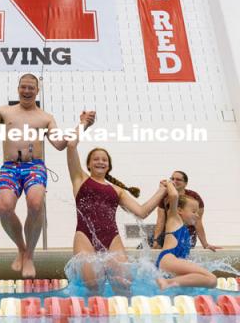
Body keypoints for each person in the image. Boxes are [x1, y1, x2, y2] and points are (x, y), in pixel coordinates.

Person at [0, 73, 96, 279]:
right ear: (18, 88)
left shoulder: (45, 117)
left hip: (34, 166)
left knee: (36, 203)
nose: (27, 91)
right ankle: (21, 248)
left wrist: (83, 124)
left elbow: (59, 144)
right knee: (4, 208)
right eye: (24, 87)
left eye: (31, 88)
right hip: (10, 167)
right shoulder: (5, 112)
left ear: (37, 91)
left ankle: (29, 255)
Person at [66, 117, 168, 292]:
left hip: (112, 238)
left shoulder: (117, 191)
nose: (100, 161)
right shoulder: (80, 179)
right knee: (92, 285)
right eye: (96, 159)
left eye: (104, 159)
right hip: (84, 237)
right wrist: (84, 123)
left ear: (109, 166)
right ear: (88, 164)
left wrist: (161, 191)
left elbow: (142, 212)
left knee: (123, 284)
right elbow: (71, 146)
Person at [156, 180, 217, 289]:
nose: (197, 216)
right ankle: (167, 282)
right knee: (212, 279)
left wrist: (206, 244)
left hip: (172, 262)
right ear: (179, 210)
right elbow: (174, 195)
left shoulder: (183, 228)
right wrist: (169, 183)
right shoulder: (174, 220)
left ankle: (168, 282)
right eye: (194, 211)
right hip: (169, 259)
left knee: (206, 280)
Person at [151, 170, 220, 251]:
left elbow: (197, 221)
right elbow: (160, 221)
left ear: (185, 183)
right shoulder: (165, 196)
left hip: (186, 235)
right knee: (146, 244)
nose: (174, 181)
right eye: (172, 179)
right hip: (168, 233)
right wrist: (156, 240)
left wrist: (205, 244)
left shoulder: (194, 197)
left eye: (178, 179)